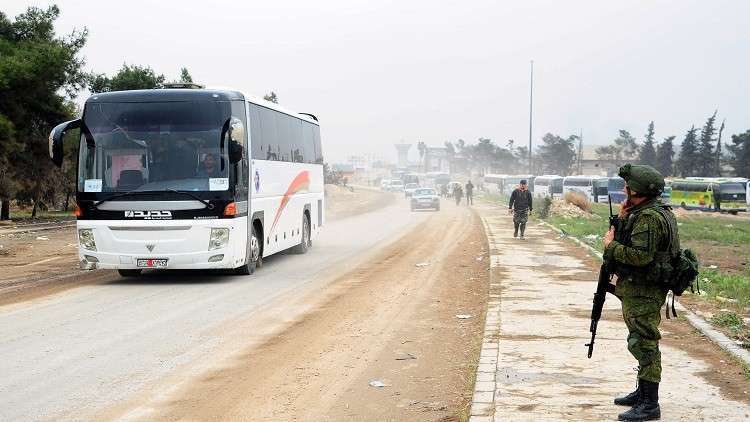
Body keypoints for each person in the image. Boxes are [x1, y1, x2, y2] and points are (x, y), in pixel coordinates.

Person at [602, 164, 679, 422]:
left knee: (644, 343)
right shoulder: (650, 211)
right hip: (641, 288)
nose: (625, 189)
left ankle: (650, 404)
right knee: (640, 340)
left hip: (644, 290)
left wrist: (611, 246)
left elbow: (641, 256)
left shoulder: (648, 217)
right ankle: (642, 393)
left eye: (628, 186)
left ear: (639, 191)